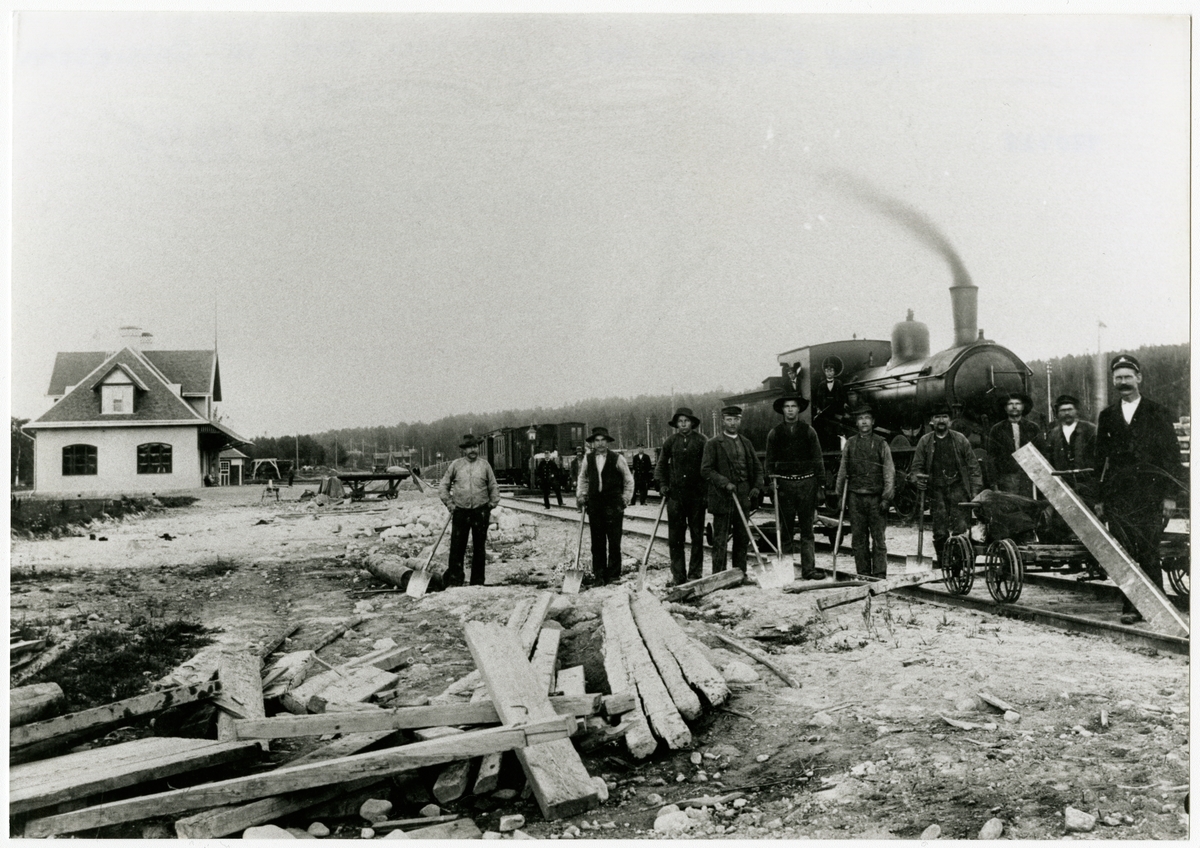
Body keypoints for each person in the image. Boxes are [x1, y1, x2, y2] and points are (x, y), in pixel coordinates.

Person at [1095, 354, 1185, 624]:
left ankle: (1156, 606)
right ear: (1113, 381)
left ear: (1139, 378)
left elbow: (1172, 456)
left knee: (1148, 549)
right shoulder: (1108, 416)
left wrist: (1170, 496)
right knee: (1124, 552)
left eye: (1127, 377)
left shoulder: (1158, 412)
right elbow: (1100, 460)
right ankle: (1131, 607)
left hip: (1150, 493)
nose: (1123, 382)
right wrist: (1099, 498)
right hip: (1118, 496)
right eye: (1118, 378)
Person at [910, 404, 983, 566]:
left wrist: (975, 491)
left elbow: (973, 466)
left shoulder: (960, 439)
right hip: (936, 490)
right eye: (937, 417)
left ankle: (958, 563)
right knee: (940, 530)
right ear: (931, 421)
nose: (941, 420)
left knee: (961, 528)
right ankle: (944, 564)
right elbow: (916, 468)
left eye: (944, 417)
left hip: (958, 488)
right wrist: (917, 479)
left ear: (950, 421)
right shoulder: (925, 441)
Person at [764, 393, 824, 579]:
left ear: (799, 409)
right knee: (786, 531)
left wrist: (820, 485)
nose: (790, 410)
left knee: (807, 530)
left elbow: (818, 459)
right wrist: (770, 485)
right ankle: (786, 572)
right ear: (782, 410)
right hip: (784, 486)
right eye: (787, 406)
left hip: (807, 484)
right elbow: (769, 462)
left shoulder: (809, 431)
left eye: (793, 406)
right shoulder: (775, 433)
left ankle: (809, 570)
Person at [701, 406, 765, 575]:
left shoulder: (746, 442)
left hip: (743, 496)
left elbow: (758, 468)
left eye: (736, 419)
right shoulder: (713, 443)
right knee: (720, 539)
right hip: (722, 497)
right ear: (723, 421)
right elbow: (706, 470)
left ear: (740, 421)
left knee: (742, 538)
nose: (732, 423)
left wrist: (756, 486)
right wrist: (724, 482)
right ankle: (719, 575)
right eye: (729, 419)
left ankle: (739, 574)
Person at [835, 405, 895, 578]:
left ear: (873, 421)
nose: (864, 422)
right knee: (858, 539)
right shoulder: (850, 443)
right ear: (856, 422)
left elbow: (889, 471)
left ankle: (880, 573)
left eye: (867, 418)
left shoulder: (881, 443)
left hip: (876, 499)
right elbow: (843, 470)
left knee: (878, 539)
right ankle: (863, 573)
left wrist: (887, 497)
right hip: (855, 498)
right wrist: (840, 495)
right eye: (860, 418)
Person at [438, 434, 501, 587]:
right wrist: (450, 504)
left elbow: (493, 486)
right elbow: (443, 486)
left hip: (481, 511)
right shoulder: (456, 465)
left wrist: (492, 504)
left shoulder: (485, 465)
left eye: (475, 447)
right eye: (469, 447)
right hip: (460, 511)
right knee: (457, 547)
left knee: (479, 548)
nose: (472, 450)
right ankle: (455, 581)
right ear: (464, 450)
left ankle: (477, 583)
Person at [576, 427, 634, 586]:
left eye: (603, 440)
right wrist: (582, 495)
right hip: (595, 505)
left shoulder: (618, 458)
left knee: (614, 542)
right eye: (597, 440)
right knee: (597, 543)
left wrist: (625, 499)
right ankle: (599, 575)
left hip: (613, 505)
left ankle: (614, 575)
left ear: (607, 442)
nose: (600, 443)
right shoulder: (588, 459)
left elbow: (628, 480)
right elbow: (583, 479)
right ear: (593, 443)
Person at [656, 406, 707, 585]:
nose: (683, 424)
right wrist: (663, 485)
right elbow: (661, 465)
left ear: (692, 423)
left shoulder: (702, 441)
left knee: (697, 537)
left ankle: (695, 574)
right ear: (676, 424)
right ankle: (678, 576)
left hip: (696, 497)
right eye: (680, 421)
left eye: (686, 421)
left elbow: (708, 467)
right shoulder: (670, 442)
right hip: (675, 497)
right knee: (675, 538)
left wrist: (706, 492)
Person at [1046, 393, 1098, 508]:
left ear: (1076, 411)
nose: (1067, 413)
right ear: (1058, 413)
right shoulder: (1054, 433)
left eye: (1070, 409)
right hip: (1064, 482)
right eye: (1063, 410)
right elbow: (1050, 457)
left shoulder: (1089, 429)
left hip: (1087, 481)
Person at [986, 391, 1044, 496]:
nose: (1014, 407)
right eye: (1010, 404)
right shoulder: (997, 429)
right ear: (1005, 408)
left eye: (1017, 403)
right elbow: (992, 458)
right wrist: (993, 484)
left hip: (1028, 478)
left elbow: (1041, 454)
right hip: (1006, 478)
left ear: (1023, 407)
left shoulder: (1033, 428)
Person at [811, 359, 849, 452]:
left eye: (831, 371)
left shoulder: (839, 383)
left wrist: (842, 409)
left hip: (837, 413)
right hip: (825, 413)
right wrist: (819, 409)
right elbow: (818, 399)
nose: (829, 373)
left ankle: (838, 450)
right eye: (827, 371)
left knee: (837, 431)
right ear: (825, 372)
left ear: (834, 372)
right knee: (827, 431)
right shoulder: (821, 385)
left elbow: (843, 397)